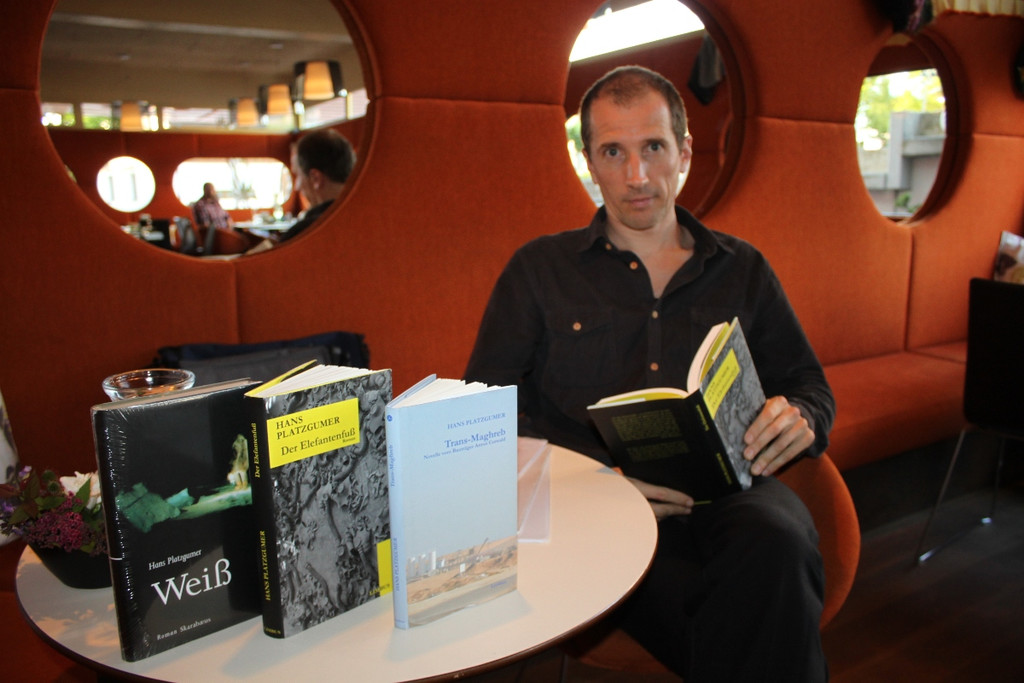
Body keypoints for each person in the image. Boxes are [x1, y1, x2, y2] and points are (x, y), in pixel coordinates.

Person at [464, 66, 834, 682]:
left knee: (782, 544)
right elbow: (484, 412)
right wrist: (599, 482)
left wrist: (801, 416)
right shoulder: (539, 270)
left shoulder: (744, 269)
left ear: (684, 152)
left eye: (654, 147)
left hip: (732, 492)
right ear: (590, 162)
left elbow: (808, 384)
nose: (637, 176)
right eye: (614, 152)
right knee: (746, 611)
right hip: (597, 504)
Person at [281, 128, 355, 242]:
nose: (297, 186)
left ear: (316, 178)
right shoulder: (372, 219)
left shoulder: (302, 235)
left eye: (298, 176)